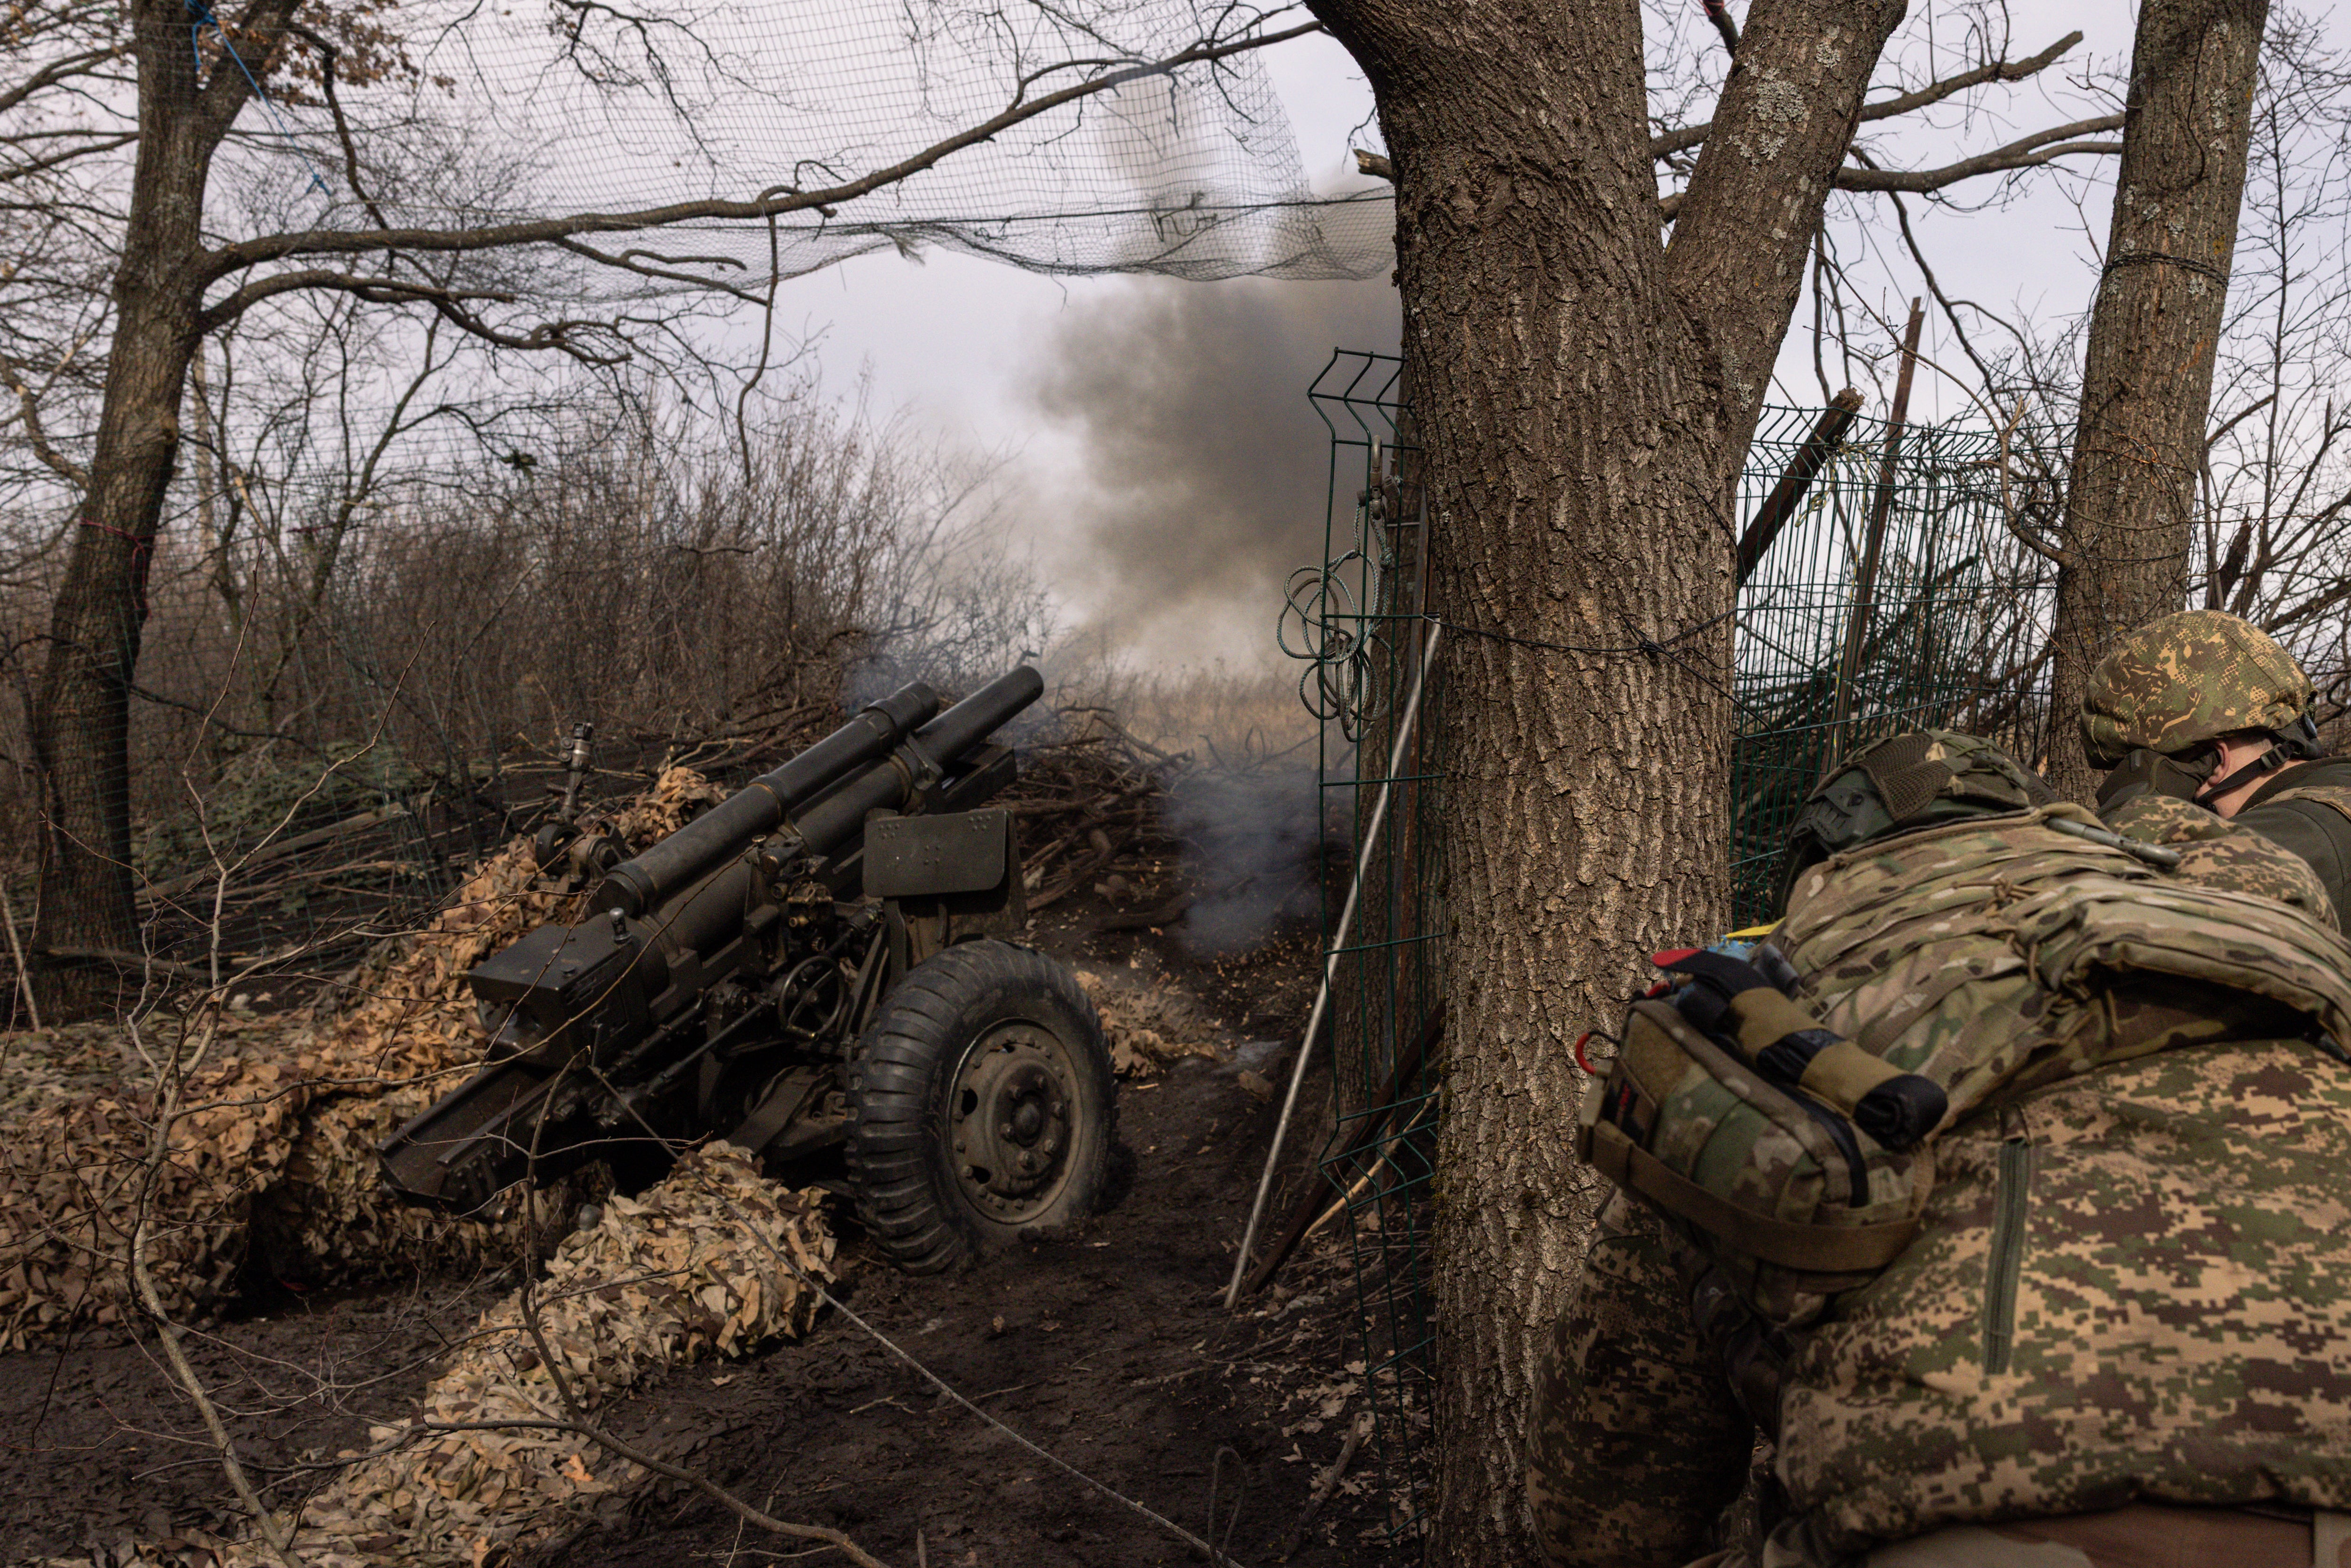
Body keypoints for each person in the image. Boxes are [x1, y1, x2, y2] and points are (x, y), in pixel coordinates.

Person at [1527, 729, 2351, 1568]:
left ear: (1821, 873)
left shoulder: (1763, 1026)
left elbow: (1605, 1510)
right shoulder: (2246, 938)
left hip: (1974, 1523)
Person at [2083, 608, 2351, 918]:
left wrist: (2132, 811)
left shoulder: (2295, 837)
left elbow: (2107, 918)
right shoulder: (2333, 803)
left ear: (2213, 762)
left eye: (2141, 765)